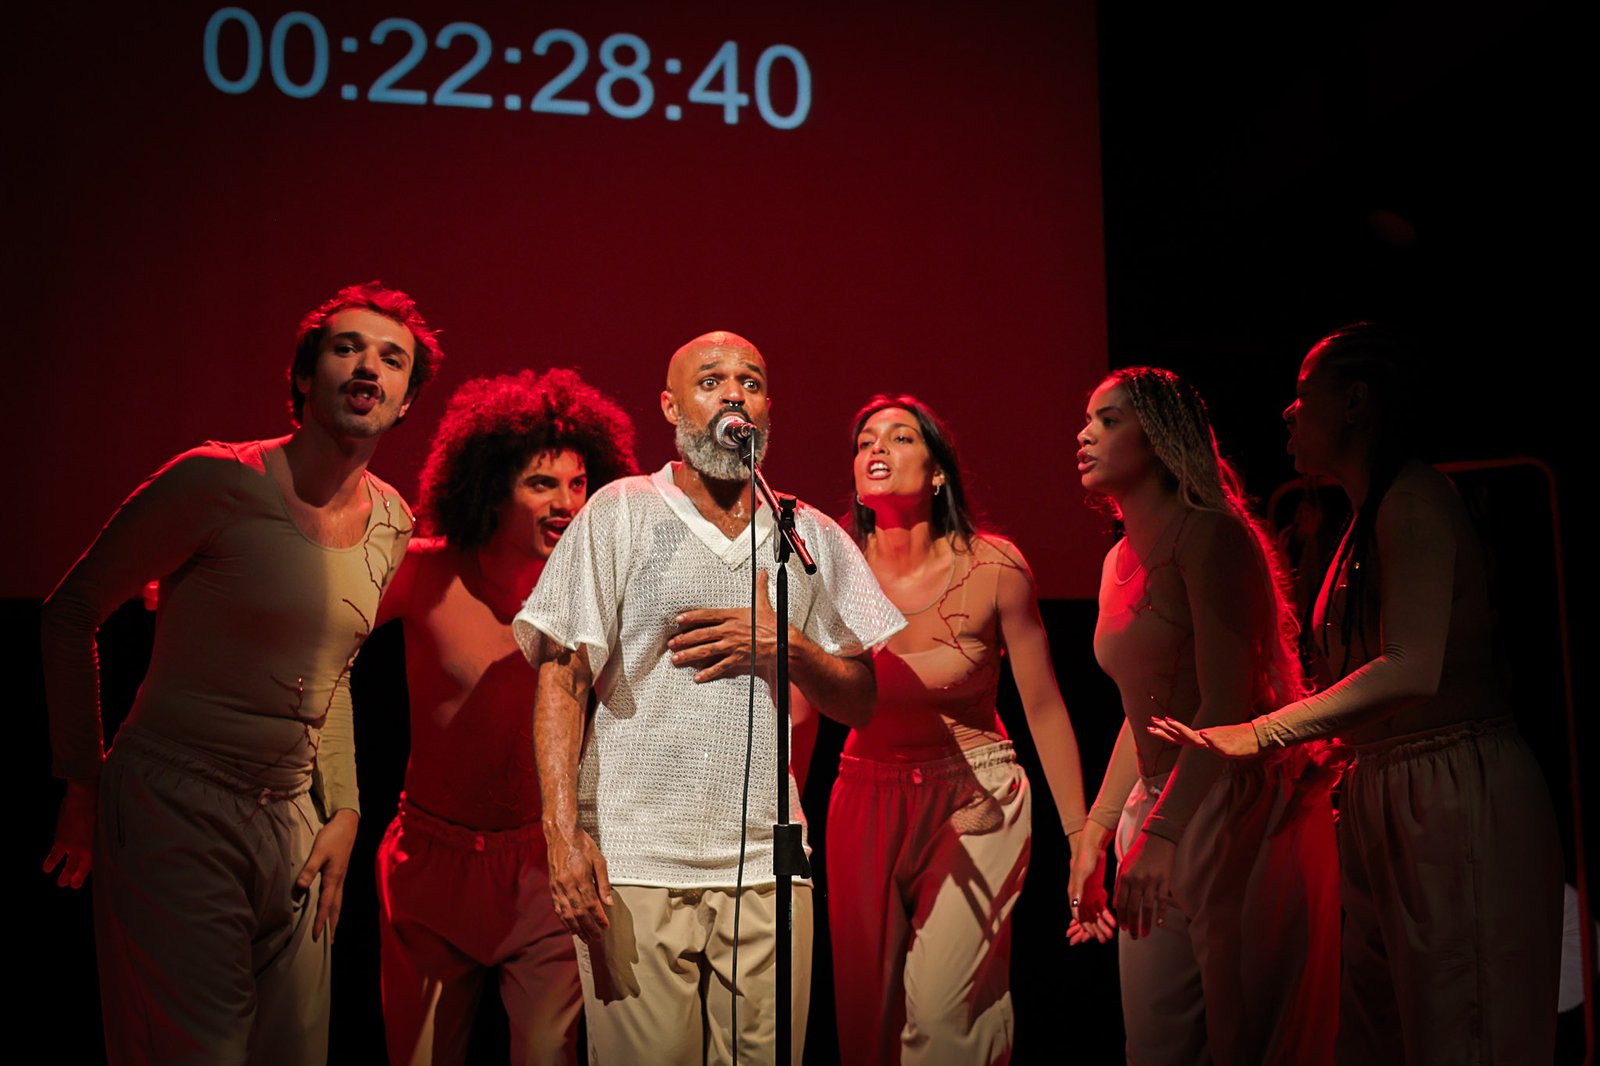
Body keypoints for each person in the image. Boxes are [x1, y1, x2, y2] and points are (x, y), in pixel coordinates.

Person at [41, 282, 442, 1064]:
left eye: (392, 360)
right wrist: (80, 786)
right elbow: (70, 612)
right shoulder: (217, 481)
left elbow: (335, 671)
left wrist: (347, 814)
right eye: (346, 348)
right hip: (174, 803)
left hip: (291, 820)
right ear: (303, 376)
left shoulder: (393, 521)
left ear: (404, 403)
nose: (368, 367)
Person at [1150, 325, 1565, 1064]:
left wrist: (1267, 731)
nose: (1287, 414)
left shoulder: (1414, 500)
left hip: (1450, 787)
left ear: (1356, 403)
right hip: (1387, 785)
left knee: (1461, 1025)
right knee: (1382, 1033)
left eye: (1304, 394)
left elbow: (1410, 668)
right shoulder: (1362, 516)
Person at [512, 330, 904, 1066]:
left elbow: (862, 699)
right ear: (670, 405)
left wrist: (783, 647)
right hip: (637, 860)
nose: (735, 394)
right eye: (711, 380)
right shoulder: (620, 511)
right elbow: (561, 673)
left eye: (751, 383)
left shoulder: (804, 532)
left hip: (768, 862)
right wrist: (563, 835)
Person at [1070, 366, 1340, 1064]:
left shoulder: (1211, 537)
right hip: (1160, 806)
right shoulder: (1116, 560)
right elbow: (1145, 715)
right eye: (1087, 420)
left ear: (1160, 438)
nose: (1084, 434)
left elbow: (1223, 704)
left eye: (1108, 420)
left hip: (1233, 803)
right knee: (1155, 1041)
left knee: (1244, 1038)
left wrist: (1161, 834)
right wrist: (1099, 831)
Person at [372, 369, 638, 1065]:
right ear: (492, 488)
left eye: (579, 485)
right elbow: (318, 628)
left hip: (543, 870)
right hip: (430, 867)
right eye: (542, 484)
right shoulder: (425, 573)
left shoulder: (599, 595)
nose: (567, 503)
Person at [820, 394, 1091, 1066]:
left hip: (977, 799)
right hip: (864, 798)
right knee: (866, 1032)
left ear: (938, 471)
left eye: (899, 437)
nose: (875, 449)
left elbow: (1045, 706)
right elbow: (798, 705)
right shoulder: (829, 568)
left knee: (943, 1023)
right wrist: (783, 807)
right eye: (863, 442)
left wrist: (1083, 835)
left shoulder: (995, 568)